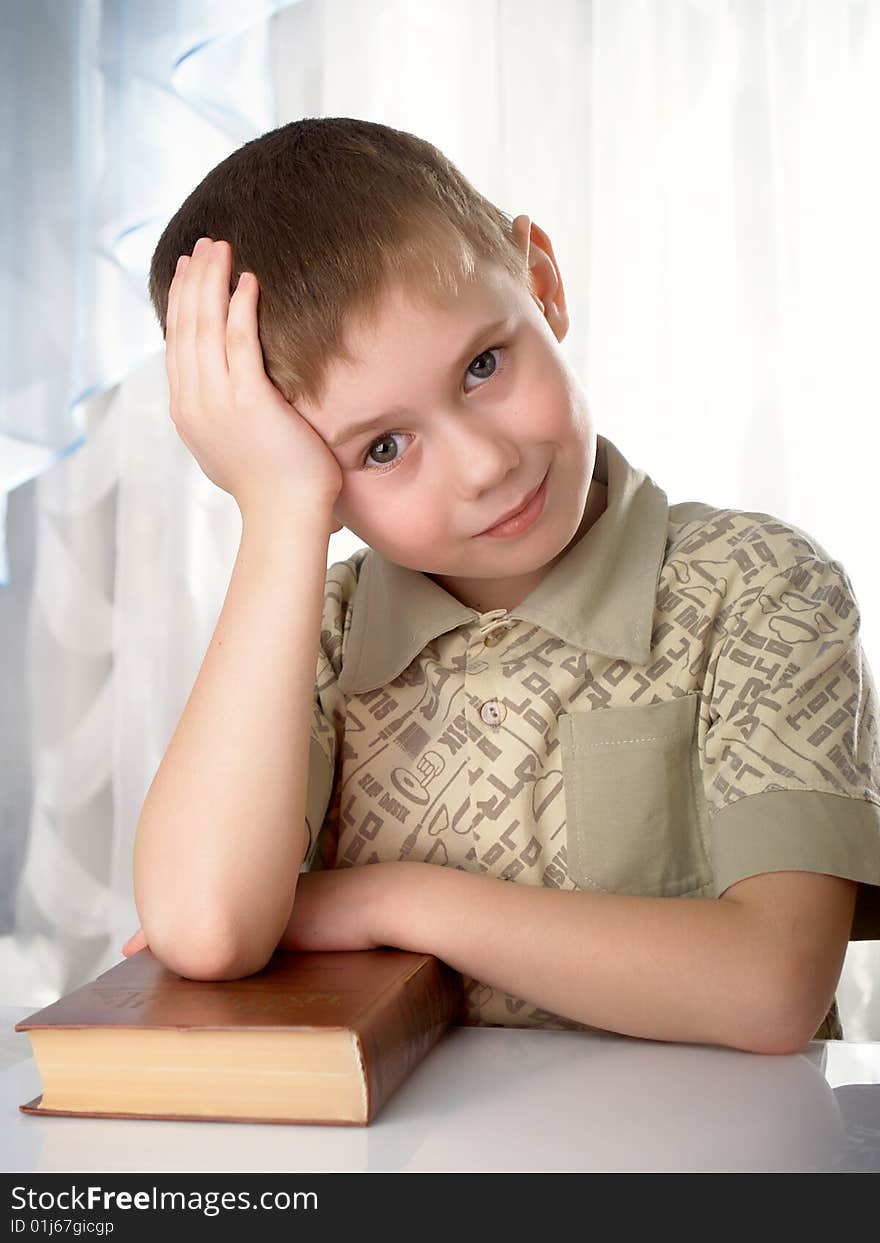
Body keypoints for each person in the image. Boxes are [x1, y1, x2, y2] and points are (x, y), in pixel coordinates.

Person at [123, 117, 880, 1054]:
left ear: (544, 284)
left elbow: (772, 989)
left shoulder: (760, 589)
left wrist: (387, 898)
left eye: (483, 365)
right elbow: (204, 926)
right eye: (382, 447)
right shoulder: (311, 639)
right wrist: (278, 514)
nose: (482, 464)